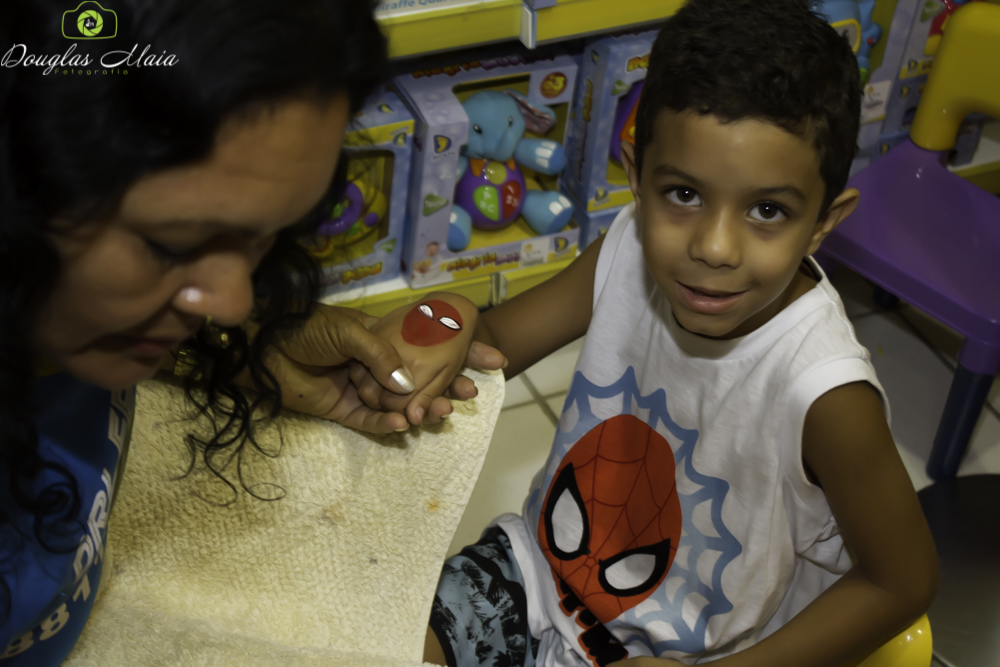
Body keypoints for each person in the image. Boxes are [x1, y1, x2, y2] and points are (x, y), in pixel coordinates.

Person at [384, 1, 940, 665]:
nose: (713, 246)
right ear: (636, 176)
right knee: (370, 642)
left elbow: (901, 580)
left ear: (823, 220)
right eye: (682, 194)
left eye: (767, 210)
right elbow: (492, 341)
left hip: (695, 654)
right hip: (534, 573)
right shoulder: (626, 246)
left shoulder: (828, 397)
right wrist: (442, 328)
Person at [0, 0, 501, 663]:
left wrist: (252, 354)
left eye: (265, 238)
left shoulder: (67, 319)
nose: (232, 302)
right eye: (170, 244)